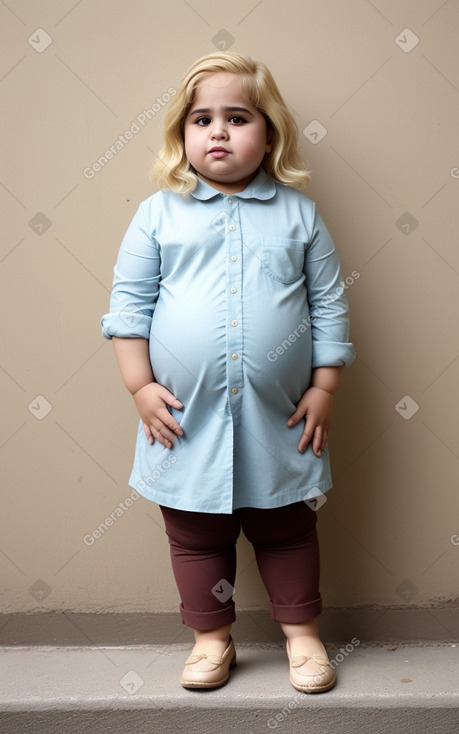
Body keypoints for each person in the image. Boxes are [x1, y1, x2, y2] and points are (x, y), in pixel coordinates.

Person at [101, 52, 355, 693]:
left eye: (237, 118)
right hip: (184, 417)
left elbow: (329, 304)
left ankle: (302, 636)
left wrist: (325, 386)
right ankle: (212, 639)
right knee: (193, 534)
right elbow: (128, 309)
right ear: (180, 136)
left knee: (288, 528)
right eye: (201, 119)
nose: (217, 132)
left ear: (268, 133)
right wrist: (139, 387)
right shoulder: (158, 215)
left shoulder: (300, 215)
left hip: (281, 416)